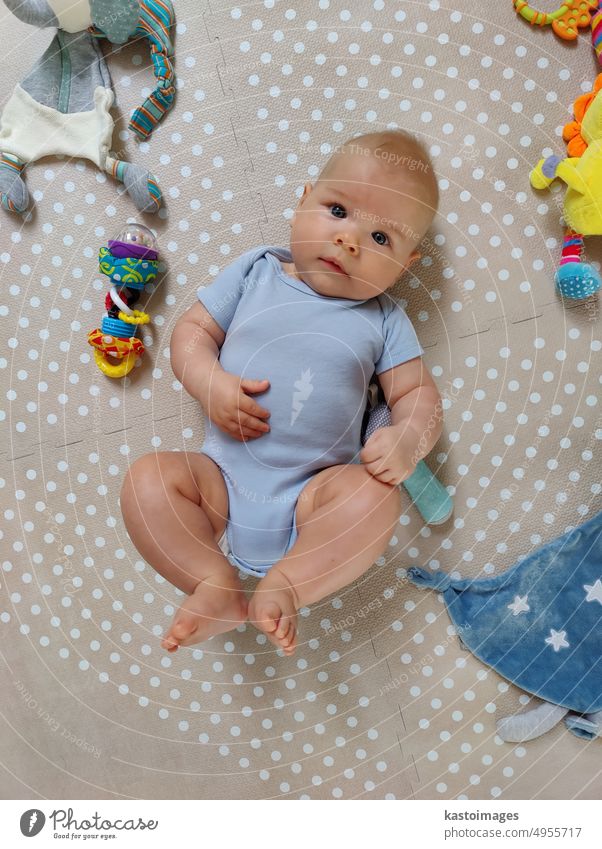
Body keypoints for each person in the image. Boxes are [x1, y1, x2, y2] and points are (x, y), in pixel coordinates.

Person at [120, 130, 443, 657]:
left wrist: (408, 440)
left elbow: (418, 396)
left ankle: (289, 584)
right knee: (145, 483)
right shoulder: (256, 271)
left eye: (382, 239)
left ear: (406, 265)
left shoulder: (384, 319)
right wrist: (210, 384)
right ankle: (212, 580)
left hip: (314, 498)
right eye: (337, 210)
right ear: (302, 202)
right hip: (218, 483)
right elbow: (191, 333)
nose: (350, 241)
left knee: (374, 500)